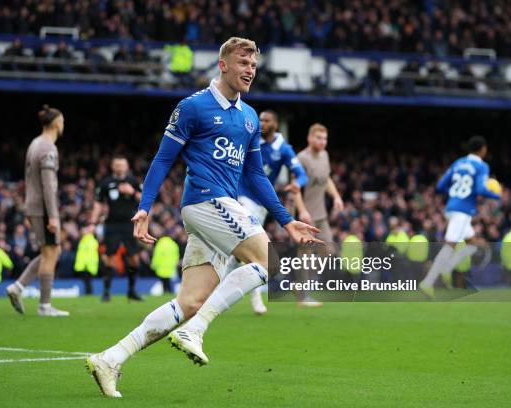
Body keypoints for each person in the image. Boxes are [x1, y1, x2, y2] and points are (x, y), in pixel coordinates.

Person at [85, 37, 320, 398]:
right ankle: (195, 331)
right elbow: (163, 159)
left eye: (254, 65)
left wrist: (286, 220)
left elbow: (255, 176)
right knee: (268, 259)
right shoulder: (193, 107)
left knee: (190, 302)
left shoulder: (249, 117)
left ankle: (110, 357)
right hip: (206, 201)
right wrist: (145, 206)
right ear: (223, 64)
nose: (250, 71)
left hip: (220, 209)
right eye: (243, 63)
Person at [227, 109, 308, 314]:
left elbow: (301, 174)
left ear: (275, 124)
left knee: (238, 255)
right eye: (260, 119)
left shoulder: (283, 148)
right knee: (252, 250)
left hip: (262, 204)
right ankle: (255, 299)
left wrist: (297, 183)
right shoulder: (251, 140)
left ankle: (217, 293)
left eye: (266, 120)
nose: (261, 123)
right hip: (243, 197)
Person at [6, 105, 69, 317]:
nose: (63, 125)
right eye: (62, 121)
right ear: (56, 124)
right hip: (43, 208)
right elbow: (49, 185)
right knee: (51, 253)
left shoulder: (35, 143)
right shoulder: (49, 148)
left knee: (49, 252)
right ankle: (45, 305)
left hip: (33, 205)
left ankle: (18, 287)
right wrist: (53, 216)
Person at [419, 136, 501, 297]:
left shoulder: (458, 163)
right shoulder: (482, 166)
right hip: (463, 211)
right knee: (450, 244)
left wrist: (456, 193)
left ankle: (447, 268)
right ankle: (428, 282)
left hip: (451, 207)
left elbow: (441, 185)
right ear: (482, 149)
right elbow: (480, 189)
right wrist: (497, 195)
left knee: (471, 243)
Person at [295, 123, 344, 307]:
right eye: (319, 138)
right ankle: (304, 296)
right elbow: (295, 188)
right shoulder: (302, 159)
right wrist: (302, 210)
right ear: (310, 138)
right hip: (305, 216)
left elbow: (327, 178)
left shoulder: (325, 155)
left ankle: (299, 284)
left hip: (321, 214)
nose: (323, 142)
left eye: (325, 138)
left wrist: (336, 196)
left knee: (329, 251)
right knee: (305, 254)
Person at [89, 156, 143, 302]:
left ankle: (131, 290)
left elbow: (144, 199)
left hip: (130, 223)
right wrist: (92, 223)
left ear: (127, 167)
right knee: (109, 256)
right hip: (112, 224)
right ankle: (106, 292)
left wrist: (132, 192)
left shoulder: (133, 181)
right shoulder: (106, 182)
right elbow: (98, 204)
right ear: (113, 166)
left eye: (122, 164)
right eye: (117, 164)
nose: (120, 167)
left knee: (133, 258)